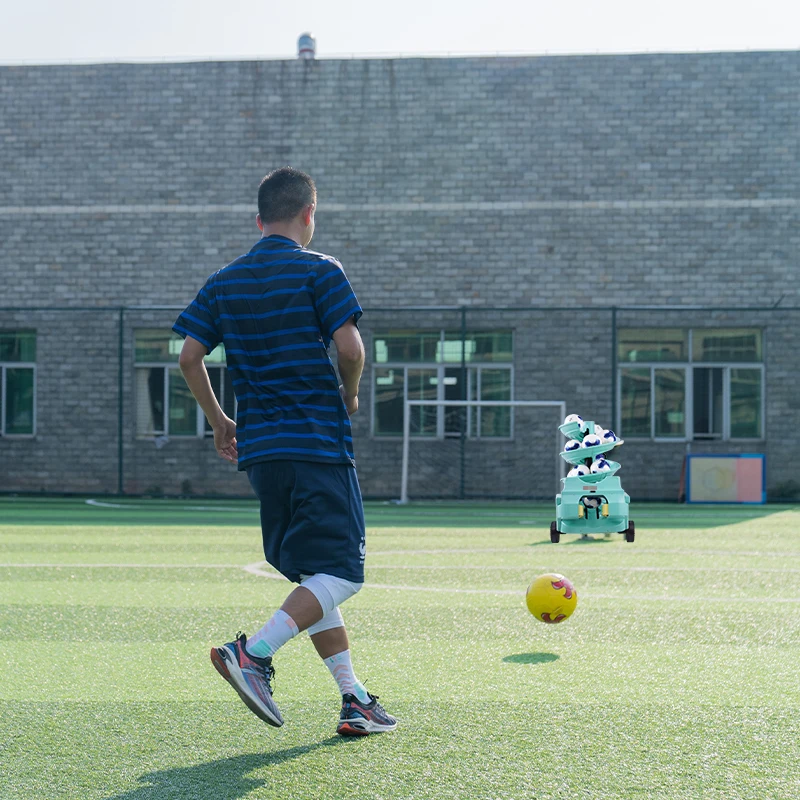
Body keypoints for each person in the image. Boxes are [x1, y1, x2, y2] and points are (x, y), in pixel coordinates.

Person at [173, 167, 397, 737]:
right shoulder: (320, 270)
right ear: (308, 213)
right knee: (342, 573)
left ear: (259, 220)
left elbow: (189, 357)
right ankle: (252, 654)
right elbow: (351, 349)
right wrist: (350, 393)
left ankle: (355, 700)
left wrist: (220, 421)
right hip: (316, 444)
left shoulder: (224, 280)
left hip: (261, 453)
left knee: (317, 577)